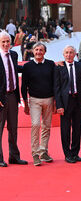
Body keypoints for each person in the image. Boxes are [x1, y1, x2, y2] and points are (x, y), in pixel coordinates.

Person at [21, 42, 55, 166]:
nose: (39, 52)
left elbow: (55, 83)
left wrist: (55, 100)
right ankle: (35, 153)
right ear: (33, 51)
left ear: (45, 52)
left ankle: (44, 151)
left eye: (41, 50)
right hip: (34, 100)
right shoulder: (27, 66)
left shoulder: (51, 64)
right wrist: (25, 102)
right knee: (35, 125)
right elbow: (24, 85)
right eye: (36, 50)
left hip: (49, 99)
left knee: (46, 126)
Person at [54, 45, 81, 163]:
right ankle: (67, 154)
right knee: (65, 129)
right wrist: (59, 105)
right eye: (66, 53)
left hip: (78, 101)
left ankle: (75, 152)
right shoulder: (59, 67)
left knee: (77, 128)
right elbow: (57, 88)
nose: (69, 55)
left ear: (75, 54)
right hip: (65, 102)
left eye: (71, 53)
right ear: (63, 54)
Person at [0, 32, 28, 167]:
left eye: (7, 41)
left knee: (13, 128)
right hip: (1, 98)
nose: (6, 44)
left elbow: (16, 69)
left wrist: (34, 65)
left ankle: (14, 156)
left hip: (12, 96)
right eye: (3, 42)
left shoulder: (14, 55)